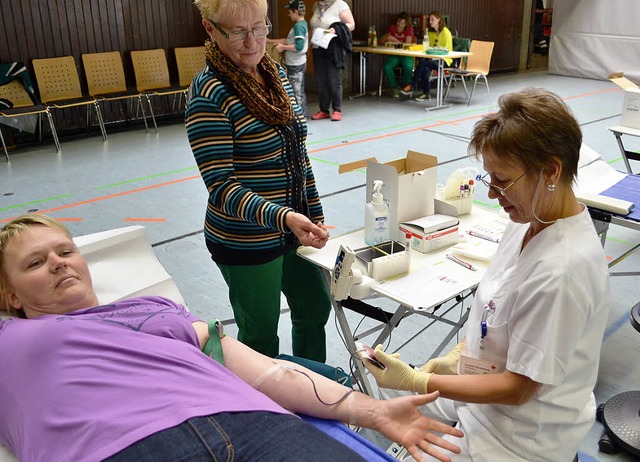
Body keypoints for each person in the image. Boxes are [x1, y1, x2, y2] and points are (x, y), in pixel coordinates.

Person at [0, 213, 465, 462]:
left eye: (65, 251)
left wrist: (376, 410)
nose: (60, 263)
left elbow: (267, 372)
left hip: (254, 423)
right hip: (119, 447)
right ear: (10, 294)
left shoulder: (154, 310)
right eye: (35, 263)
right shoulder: (9, 341)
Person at [363, 88, 610, 461]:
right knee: (377, 392)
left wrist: (421, 380)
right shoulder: (529, 217)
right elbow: (499, 308)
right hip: (483, 389)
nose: (493, 194)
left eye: (503, 181)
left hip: (519, 435)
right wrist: (461, 353)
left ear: (551, 172)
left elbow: (518, 389)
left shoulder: (562, 272)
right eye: (489, 179)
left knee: (401, 407)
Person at [186, 0, 332, 362]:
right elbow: (222, 187)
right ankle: (272, 411)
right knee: (261, 336)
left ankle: (316, 392)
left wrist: (313, 213)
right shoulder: (209, 94)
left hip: (293, 229)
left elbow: (298, 154)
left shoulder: (275, 74)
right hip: (244, 239)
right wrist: (284, 217)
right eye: (237, 31)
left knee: (315, 308)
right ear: (210, 29)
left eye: (260, 27)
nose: (253, 41)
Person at [308, 0, 355, 121]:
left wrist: (336, 29)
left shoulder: (340, 4)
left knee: (334, 79)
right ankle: (323, 110)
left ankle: (337, 109)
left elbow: (351, 24)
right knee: (321, 80)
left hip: (333, 47)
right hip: (318, 46)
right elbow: (314, 25)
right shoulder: (316, 6)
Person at [267, 0, 309, 115]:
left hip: (296, 63)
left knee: (296, 91)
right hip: (294, 63)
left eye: (290, 12)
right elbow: (289, 40)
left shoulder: (299, 27)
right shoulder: (299, 25)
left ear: (296, 11)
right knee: (298, 89)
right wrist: (271, 41)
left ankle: (300, 116)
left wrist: (283, 47)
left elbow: (299, 46)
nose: (289, 14)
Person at [401, 11, 452, 101]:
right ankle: (426, 93)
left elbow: (447, 51)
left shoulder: (446, 32)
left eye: (433, 19)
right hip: (433, 59)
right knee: (423, 66)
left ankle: (412, 85)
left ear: (439, 20)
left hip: (444, 60)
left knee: (423, 63)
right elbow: (429, 48)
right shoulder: (431, 33)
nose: (430, 22)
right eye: (429, 20)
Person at [382, 12, 415, 98]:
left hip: (406, 54)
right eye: (398, 22)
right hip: (395, 54)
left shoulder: (409, 29)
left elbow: (407, 44)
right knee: (387, 66)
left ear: (406, 24)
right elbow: (385, 40)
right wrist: (387, 39)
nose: (400, 25)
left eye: (403, 23)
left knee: (408, 66)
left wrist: (394, 39)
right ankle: (394, 88)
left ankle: (404, 87)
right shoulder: (392, 28)